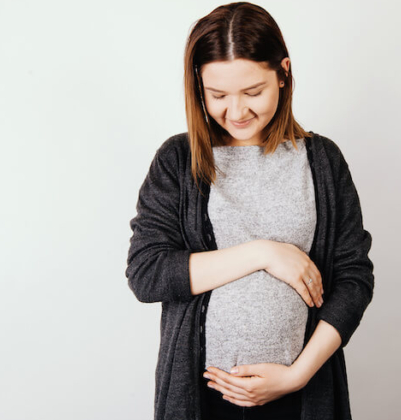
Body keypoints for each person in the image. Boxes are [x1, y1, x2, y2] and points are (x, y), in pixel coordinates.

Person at [125, 2, 375, 419]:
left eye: (253, 92)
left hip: (302, 398)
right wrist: (264, 253)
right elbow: (147, 273)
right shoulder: (177, 160)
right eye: (218, 95)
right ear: (198, 85)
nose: (237, 112)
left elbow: (354, 278)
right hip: (201, 402)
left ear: (283, 72)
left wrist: (298, 375)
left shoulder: (322, 160)